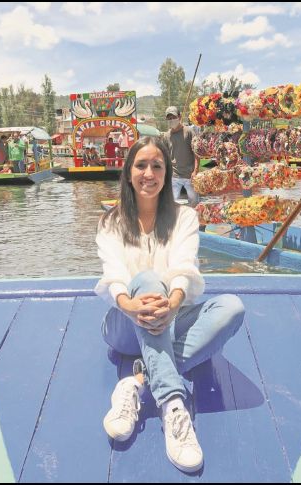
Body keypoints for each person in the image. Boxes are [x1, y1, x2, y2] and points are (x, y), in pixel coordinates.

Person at [95, 136, 245, 473]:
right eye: (141, 165)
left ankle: (137, 382)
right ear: (128, 172)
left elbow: (184, 268)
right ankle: (174, 405)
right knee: (147, 279)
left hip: (170, 315)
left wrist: (173, 304)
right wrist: (132, 305)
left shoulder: (184, 218)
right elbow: (114, 276)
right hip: (123, 324)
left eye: (157, 166)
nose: (149, 173)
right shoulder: (110, 223)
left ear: (166, 174)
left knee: (232, 308)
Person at [163, 106, 200, 207]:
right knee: (171, 204)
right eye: (169, 118)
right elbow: (165, 156)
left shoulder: (189, 132)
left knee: (195, 203)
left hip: (190, 175)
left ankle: (198, 222)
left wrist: (195, 171)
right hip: (174, 176)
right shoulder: (166, 136)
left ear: (179, 117)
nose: (171, 120)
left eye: (173, 117)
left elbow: (196, 152)